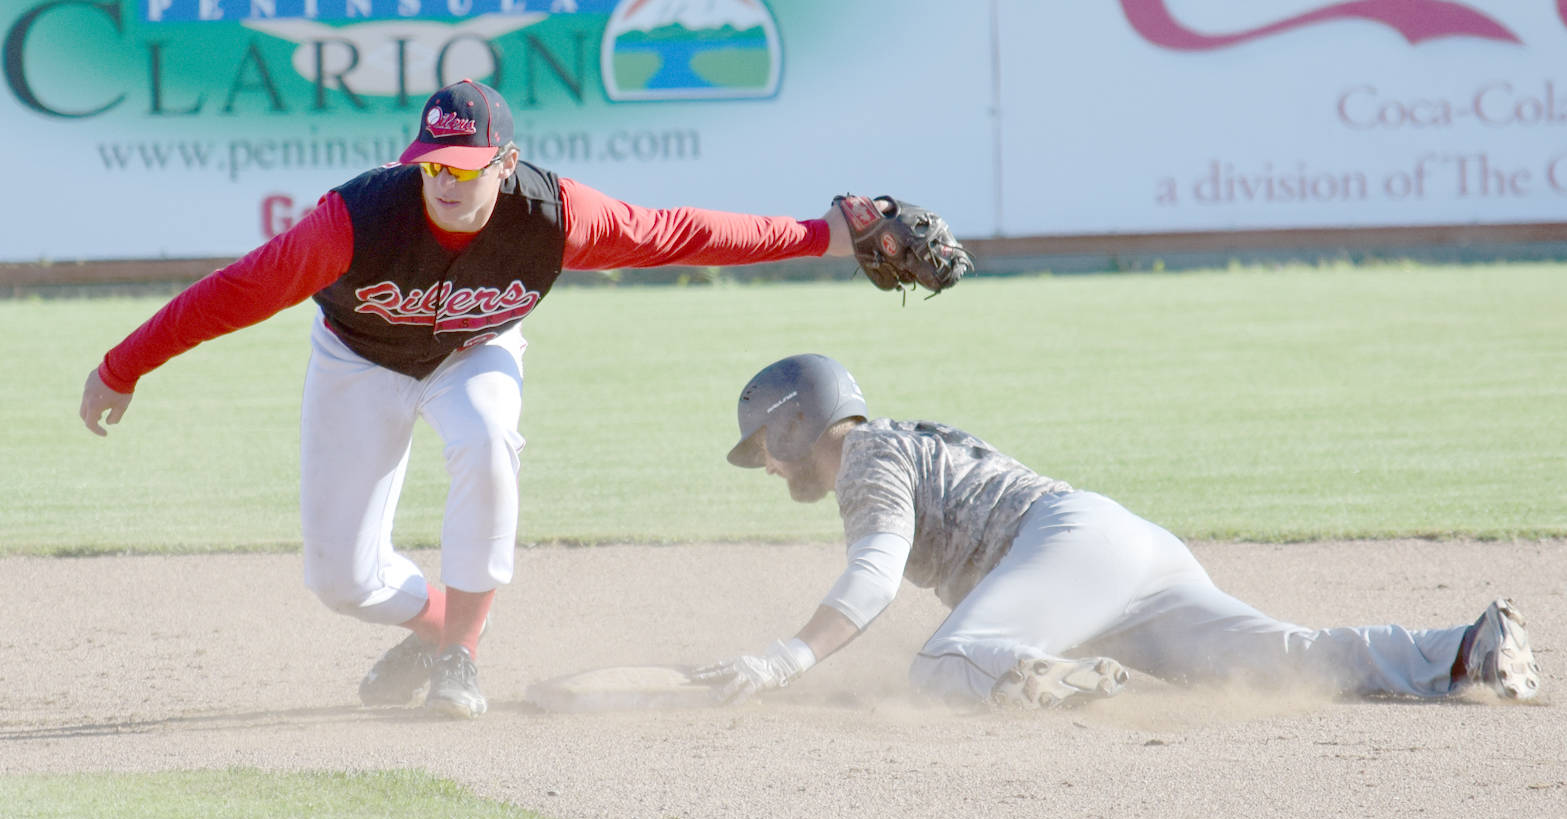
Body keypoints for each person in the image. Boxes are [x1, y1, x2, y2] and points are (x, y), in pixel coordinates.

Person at [78, 79, 891, 720]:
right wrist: (123, 365)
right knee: (342, 580)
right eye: (434, 165)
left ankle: (460, 654)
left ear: (504, 164)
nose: (448, 182)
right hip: (357, 362)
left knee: (488, 433)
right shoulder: (351, 223)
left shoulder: (555, 216)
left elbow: (679, 231)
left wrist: (823, 233)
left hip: (474, 353)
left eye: (467, 168)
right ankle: (441, 627)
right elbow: (236, 290)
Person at [693, 354, 1542, 708]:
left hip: (1066, 548)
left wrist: (786, 658)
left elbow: (876, 574)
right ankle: (1463, 650)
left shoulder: (867, 454)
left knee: (942, 665)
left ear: (800, 422)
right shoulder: (895, 444)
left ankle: (1045, 677)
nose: (767, 465)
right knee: (1283, 661)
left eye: (767, 444)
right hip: (1114, 552)